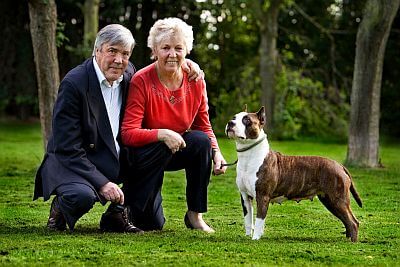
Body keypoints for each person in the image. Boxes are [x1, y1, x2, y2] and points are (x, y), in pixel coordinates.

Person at [33, 24, 203, 233]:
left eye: (125, 54)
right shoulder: (74, 84)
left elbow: (161, 65)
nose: (118, 60)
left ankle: (117, 213)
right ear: (97, 50)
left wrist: (187, 64)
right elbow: (66, 147)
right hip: (77, 162)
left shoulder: (130, 74)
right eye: (112, 51)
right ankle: (61, 207)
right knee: (81, 197)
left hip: (117, 159)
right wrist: (103, 183)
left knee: (152, 223)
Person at [120, 17, 227, 233]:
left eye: (178, 48)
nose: (172, 54)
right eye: (165, 48)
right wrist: (161, 134)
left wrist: (216, 152)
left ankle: (195, 215)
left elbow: (203, 125)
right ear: (155, 50)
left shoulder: (195, 79)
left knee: (200, 141)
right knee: (151, 224)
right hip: (146, 155)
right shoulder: (141, 81)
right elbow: (128, 133)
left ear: (187, 50)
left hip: (177, 148)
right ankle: (130, 208)